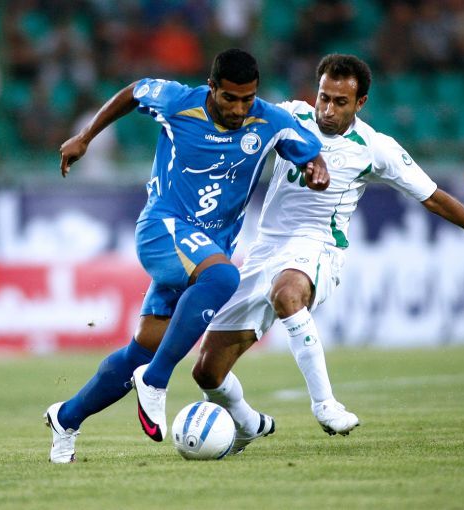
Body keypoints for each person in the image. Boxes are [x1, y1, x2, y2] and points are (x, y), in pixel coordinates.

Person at [191, 54, 464, 454]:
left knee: (287, 293)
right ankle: (250, 424)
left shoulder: (375, 147)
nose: (327, 109)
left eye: (340, 102)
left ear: (360, 103)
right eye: (324, 97)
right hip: (264, 250)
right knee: (207, 372)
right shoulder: (291, 117)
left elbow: (433, 197)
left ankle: (325, 404)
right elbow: (232, 111)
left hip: (319, 247)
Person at [45, 48, 329, 463]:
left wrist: (317, 169)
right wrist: (85, 137)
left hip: (200, 254)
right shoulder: (178, 101)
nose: (239, 109)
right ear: (212, 87)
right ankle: (155, 381)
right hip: (163, 229)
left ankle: (66, 419)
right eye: (230, 98)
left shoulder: (269, 121)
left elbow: (309, 151)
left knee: (143, 348)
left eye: (247, 98)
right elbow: (133, 91)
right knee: (224, 278)